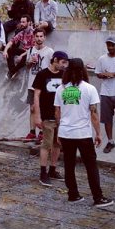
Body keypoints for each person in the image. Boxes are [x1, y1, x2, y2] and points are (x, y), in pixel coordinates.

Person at [54, 58, 114, 208]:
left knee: (69, 164)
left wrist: (59, 132)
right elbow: (94, 114)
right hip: (82, 134)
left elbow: (57, 112)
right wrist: (99, 133)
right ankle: (98, 197)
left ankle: (73, 194)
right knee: (91, 165)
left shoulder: (61, 89)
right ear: (83, 71)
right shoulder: (89, 89)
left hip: (66, 133)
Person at [33, 51, 69, 186]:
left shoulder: (64, 75)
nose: (65, 65)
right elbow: (36, 95)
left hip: (61, 116)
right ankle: (43, 172)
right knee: (46, 144)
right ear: (55, 60)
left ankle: (53, 169)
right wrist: (37, 115)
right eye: (63, 62)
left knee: (57, 143)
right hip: (46, 115)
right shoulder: (42, 74)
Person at [23, 28, 54, 142]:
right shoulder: (31, 50)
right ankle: (32, 131)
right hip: (32, 84)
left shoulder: (49, 51)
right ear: (34, 37)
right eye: (37, 36)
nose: (39, 38)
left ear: (44, 37)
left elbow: (53, 66)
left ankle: (42, 131)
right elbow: (27, 66)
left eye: (41, 36)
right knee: (32, 108)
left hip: (44, 85)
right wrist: (30, 61)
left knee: (42, 108)